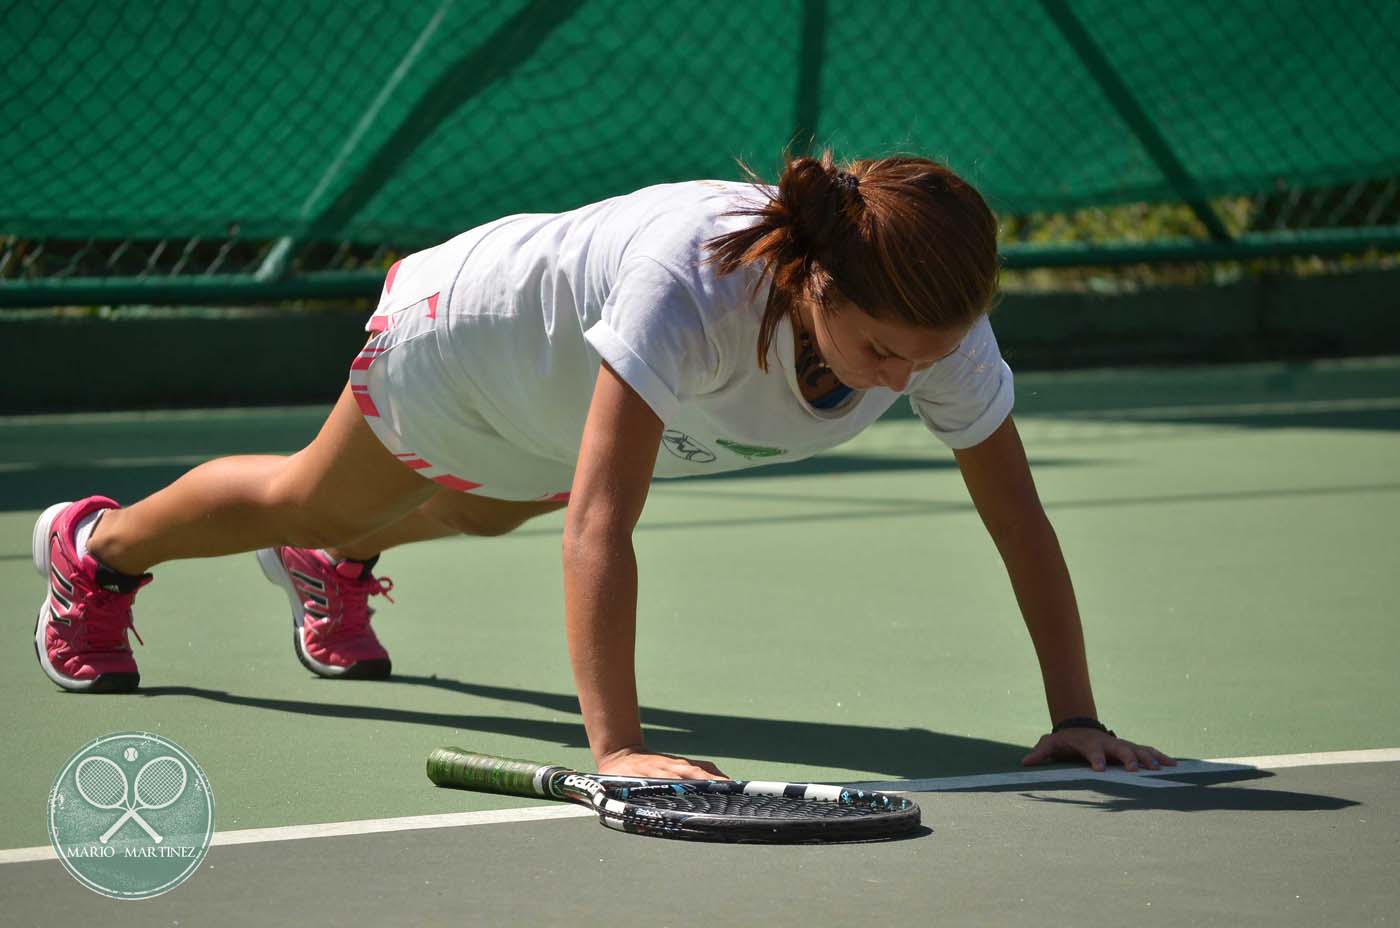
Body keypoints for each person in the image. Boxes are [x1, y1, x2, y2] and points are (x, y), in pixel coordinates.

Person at [32, 152, 1174, 780]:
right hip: (464, 343)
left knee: (483, 519)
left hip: (556, 394)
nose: (899, 380)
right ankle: (95, 550)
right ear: (814, 285)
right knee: (312, 493)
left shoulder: (932, 328)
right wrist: (617, 748)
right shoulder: (688, 289)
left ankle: (330, 562)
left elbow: (1017, 518)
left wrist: (1075, 715)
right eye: (881, 351)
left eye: (923, 360)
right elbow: (601, 527)